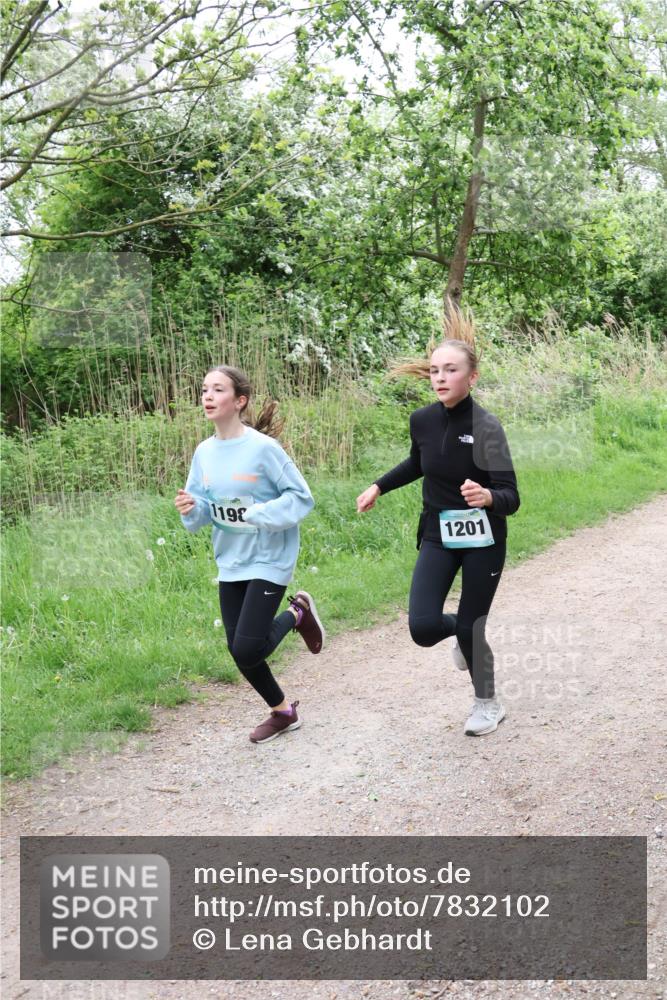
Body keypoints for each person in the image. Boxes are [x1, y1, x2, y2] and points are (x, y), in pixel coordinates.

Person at [356, 306, 520, 736]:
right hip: (438, 533)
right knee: (424, 628)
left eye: (451, 370)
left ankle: (487, 702)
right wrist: (378, 486)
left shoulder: (487, 427)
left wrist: (487, 496)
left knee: (471, 623)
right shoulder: (422, 421)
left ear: (472, 377)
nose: (440, 377)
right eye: (434, 370)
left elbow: (511, 496)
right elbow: (417, 463)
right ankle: (465, 638)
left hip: (483, 538)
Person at [175, 365, 325, 744]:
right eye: (204, 389)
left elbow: (301, 497)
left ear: (239, 401)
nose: (207, 396)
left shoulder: (263, 449)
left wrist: (258, 514)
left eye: (218, 390)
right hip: (231, 559)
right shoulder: (204, 452)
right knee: (239, 651)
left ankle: (297, 614)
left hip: (270, 555)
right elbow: (201, 513)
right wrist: (190, 507)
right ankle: (283, 711)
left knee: (246, 646)